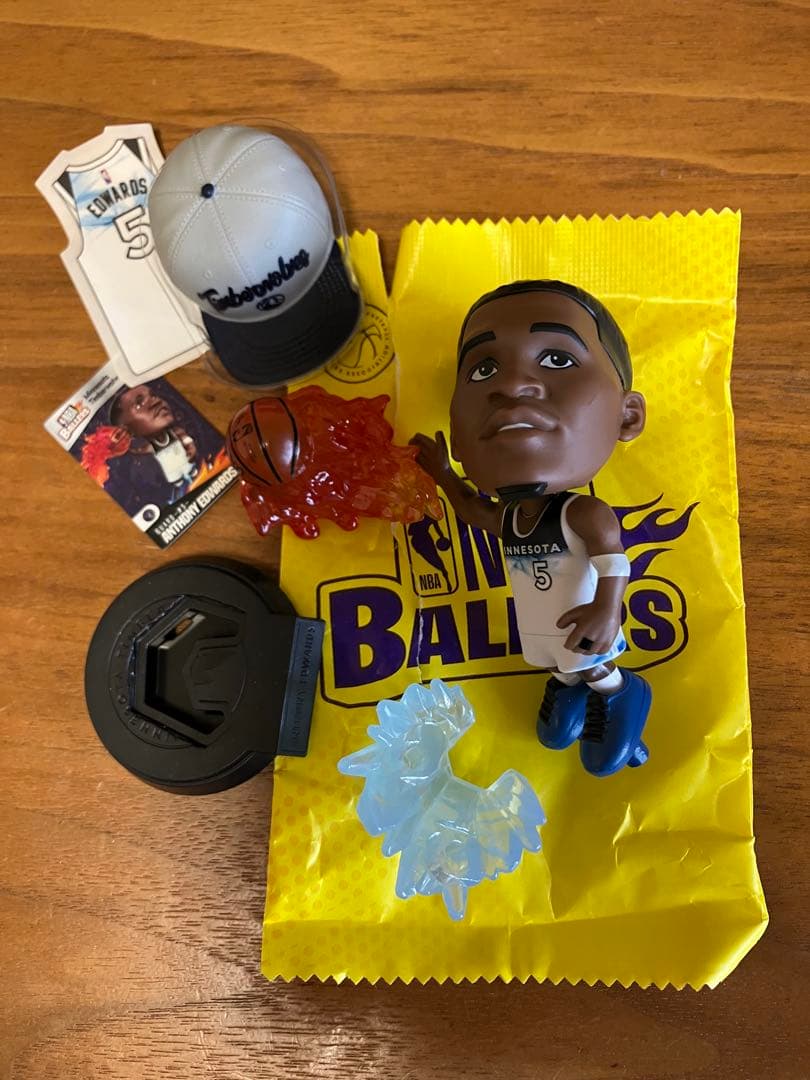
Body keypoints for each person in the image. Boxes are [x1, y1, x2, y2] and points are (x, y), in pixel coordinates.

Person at [412, 280, 651, 777]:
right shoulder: (511, 519)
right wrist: (443, 475)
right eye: (484, 369)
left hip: (586, 621)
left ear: (627, 416)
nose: (513, 385)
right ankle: (568, 690)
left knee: (589, 662)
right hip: (545, 624)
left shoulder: (583, 515)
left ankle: (621, 692)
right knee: (557, 662)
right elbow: (470, 509)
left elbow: (614, 562)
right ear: (457, 433)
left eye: (557, 360)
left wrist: (607, 609)